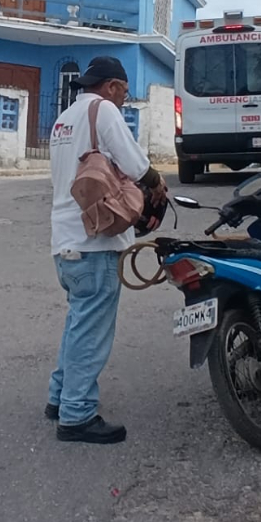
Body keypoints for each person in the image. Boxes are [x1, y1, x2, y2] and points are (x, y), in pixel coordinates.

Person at [47, 56, 168, 444]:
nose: (123, 99)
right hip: (95, 241)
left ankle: (58, 397)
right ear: (112, 86)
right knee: (91, 330)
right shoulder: (104, 111)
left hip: (65, 240)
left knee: (77, 323)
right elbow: (134, 163)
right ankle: (77, 414)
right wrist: (157, 183)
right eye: (124, 92)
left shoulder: (63, 120)